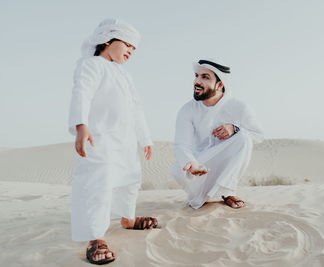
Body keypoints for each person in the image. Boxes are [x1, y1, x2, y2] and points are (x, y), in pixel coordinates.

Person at [68, 18, 157, 265]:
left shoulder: (124, 75)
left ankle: (127, 219)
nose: (130, 51)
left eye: (134, 49)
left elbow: (137, 108)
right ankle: (95, 237)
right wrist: (81, 125)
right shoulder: (91, 65)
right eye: (127, 44)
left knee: (130, 178)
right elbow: (82, 93)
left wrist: (145, 138)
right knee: (99, 182)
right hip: (100, 138)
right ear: (107, 40)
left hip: (125, 140)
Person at [171, 59, 264, 210]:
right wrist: (191, 163)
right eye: (196, 76)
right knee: (177, 169)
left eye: (205, 77)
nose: (197, 81)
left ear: (220, 85)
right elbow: (181, 145)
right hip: (200, 162)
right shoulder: (187, 110)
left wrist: (235, 128)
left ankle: (228, 192)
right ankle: (201, 195)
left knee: (244, 138)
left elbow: (258, 135)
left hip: (226, 161)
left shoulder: (238, 107)